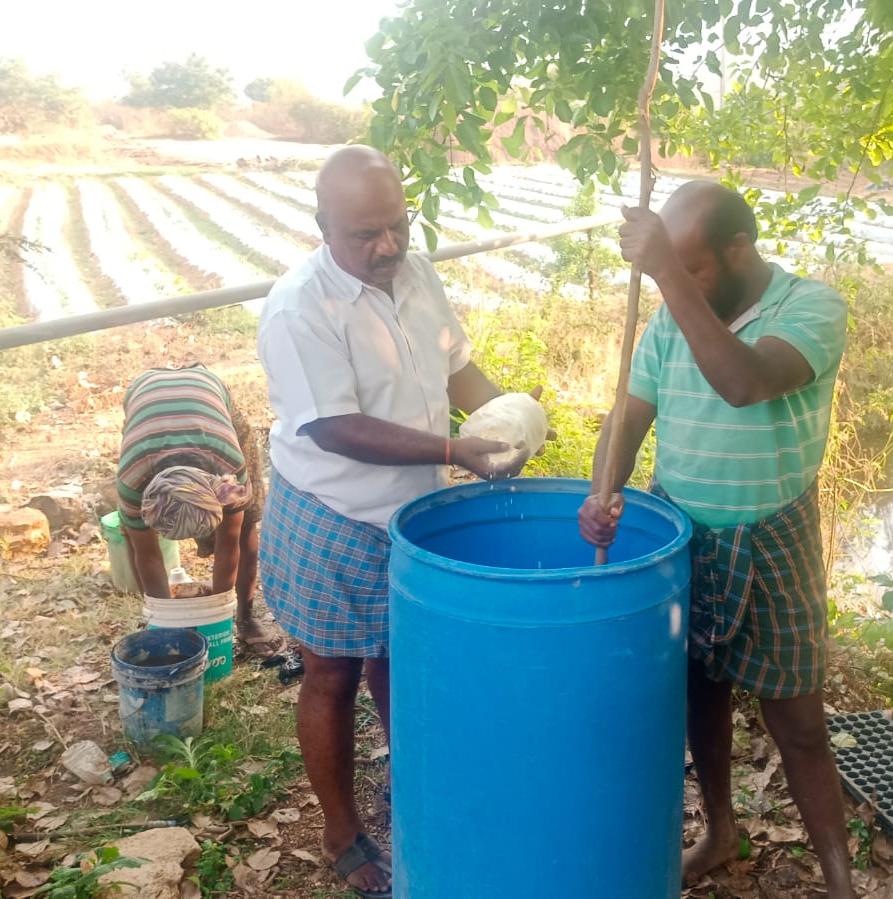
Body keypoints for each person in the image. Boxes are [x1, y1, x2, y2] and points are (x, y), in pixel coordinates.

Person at [257, 144, 529, 899]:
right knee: (332, 671)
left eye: (396, 227)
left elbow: (456, 368)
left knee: (401, 660)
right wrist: (454, 450)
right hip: (334, 512)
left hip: (414, 514)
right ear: (322, 227)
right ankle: (341, 829)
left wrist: (506, 420)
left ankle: (418, 787)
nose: (385, 247)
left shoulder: (415, 274)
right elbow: (334, 427)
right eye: (363, 234)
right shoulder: (299, 308)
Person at [578, 181, 856, 898]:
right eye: (673, 271)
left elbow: (744, 382)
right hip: (682, 533)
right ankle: (721, 829)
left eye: (693, 267)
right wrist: (602, 487)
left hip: (772, 534)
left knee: (797, 720)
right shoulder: (668, 320)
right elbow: (628, 417)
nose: (680, 282)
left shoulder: (811, 307)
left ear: (740, 249)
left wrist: (666, 274)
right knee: (700, 694)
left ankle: (840, 882)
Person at [116, 364, 284, 656]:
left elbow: (230, 543)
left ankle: (246, 620)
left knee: (246, 524)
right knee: (133, 537)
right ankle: (156, 621)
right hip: (143, 396)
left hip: (207, 389)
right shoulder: (132, 480)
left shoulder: (229, 469)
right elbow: (148, 555)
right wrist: (165, 625)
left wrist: (217, 614)